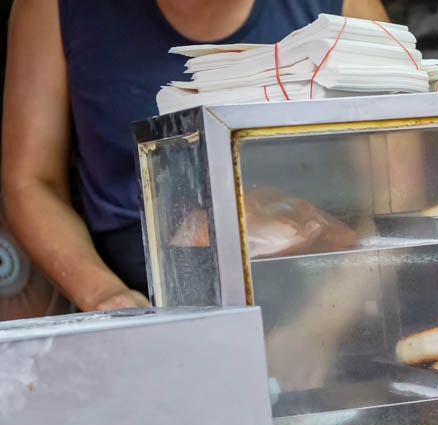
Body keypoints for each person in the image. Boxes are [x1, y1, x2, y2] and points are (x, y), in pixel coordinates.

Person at [1, 0, 389, 312]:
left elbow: (398, 207)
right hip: (139, 296)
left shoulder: (347, 9)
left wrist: (318, 330)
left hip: (325, 294)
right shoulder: (54, 9)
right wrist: (106, 296)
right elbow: (30, 182)